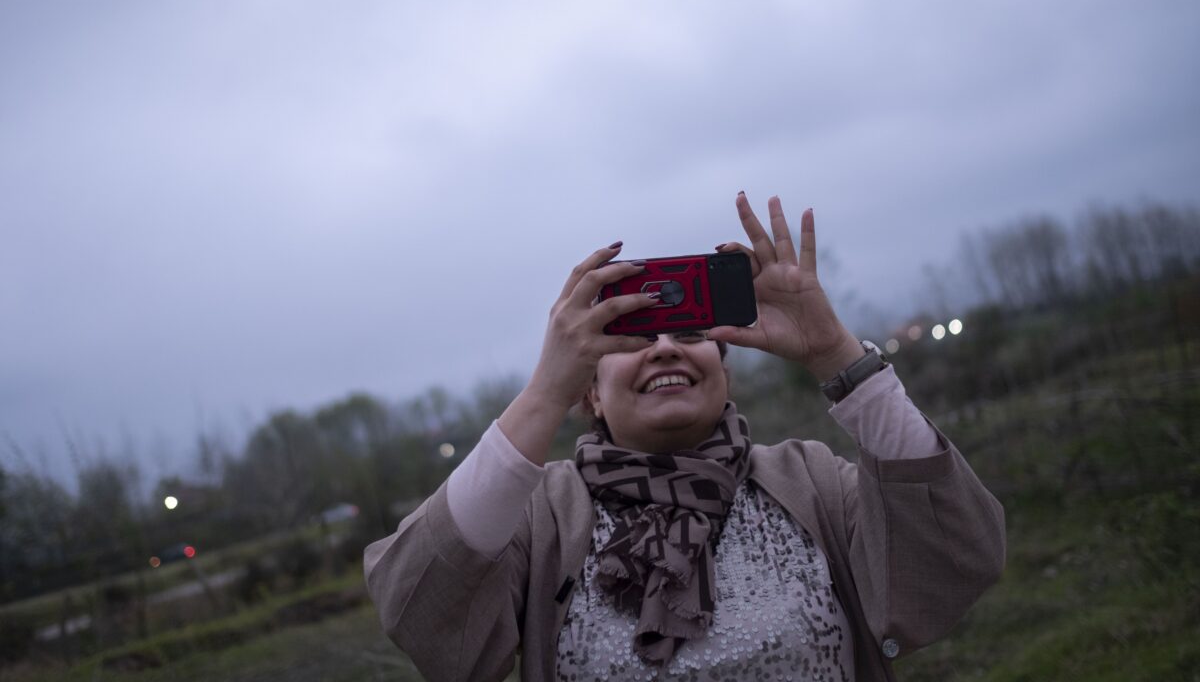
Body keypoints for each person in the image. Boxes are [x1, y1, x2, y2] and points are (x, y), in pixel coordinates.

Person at [364, 193, 1005, 682]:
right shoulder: (538, 518)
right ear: (590, 388)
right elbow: (420, 607)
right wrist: (542, 394)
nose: (666, 346)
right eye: (633, 339)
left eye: (692, 333)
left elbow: (956, 552)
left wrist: (836, 353)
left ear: (723, 369)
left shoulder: (810, 482)